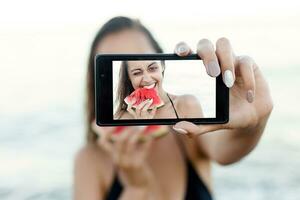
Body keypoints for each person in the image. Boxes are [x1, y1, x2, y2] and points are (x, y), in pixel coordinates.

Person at [74, 16, 273, 200]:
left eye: (150, 65)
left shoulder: (185, 110)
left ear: (162, 65)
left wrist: (254, 121)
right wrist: (136, 188)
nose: (146, 78)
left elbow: (226, 152)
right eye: (135, 70)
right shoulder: (89, 160)